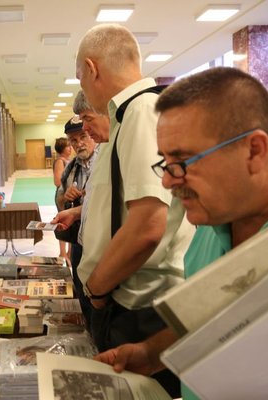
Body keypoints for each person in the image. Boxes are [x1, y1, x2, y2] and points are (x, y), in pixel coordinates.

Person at [95, 67, 268, 399]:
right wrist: (152, 354)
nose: (167, 181)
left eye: (182, 161)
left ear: (254, 150)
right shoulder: (213, 218)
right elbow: (218, 319)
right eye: (164, 163)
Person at [57, 23, 194, 396]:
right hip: (127, 303)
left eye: (79, 77)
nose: (82, 86)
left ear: (92, 68)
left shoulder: (141, 112)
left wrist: (98, 288)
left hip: (139, 309)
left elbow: (149, 223)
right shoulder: (125, 118)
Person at [55, 114, 99, 324]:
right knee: (80, 283)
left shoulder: (106, 162)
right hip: (79, 237)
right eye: (73, 140)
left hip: (101, 238)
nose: (78, 143)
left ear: (92, 134)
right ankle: (87, 324)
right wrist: (66, 196)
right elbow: (59, 200)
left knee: (98, 287)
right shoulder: (71, 168)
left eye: (82, 136)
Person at [53, 137, 72, 260]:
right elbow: (57, 181)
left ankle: (70, 252)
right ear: (62, 149)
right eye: (68, 146)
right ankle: (62, 252)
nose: (70, 148)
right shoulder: (60, 161)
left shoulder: (69, 160)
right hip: (63, 196)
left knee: (72, 222)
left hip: (70, 194)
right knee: (63, 221)